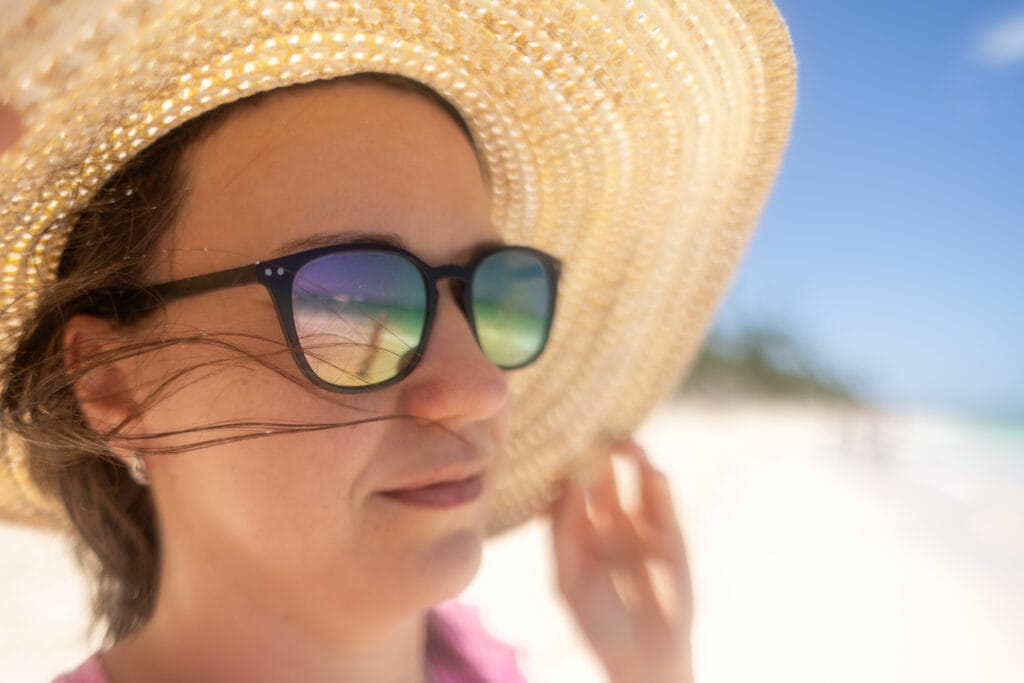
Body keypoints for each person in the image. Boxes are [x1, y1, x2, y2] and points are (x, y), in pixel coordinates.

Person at [0, 2, 796, 682]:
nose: (481, 386)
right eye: (352, 301)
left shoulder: (481, 659)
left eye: (495, 296)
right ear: (111, 384)